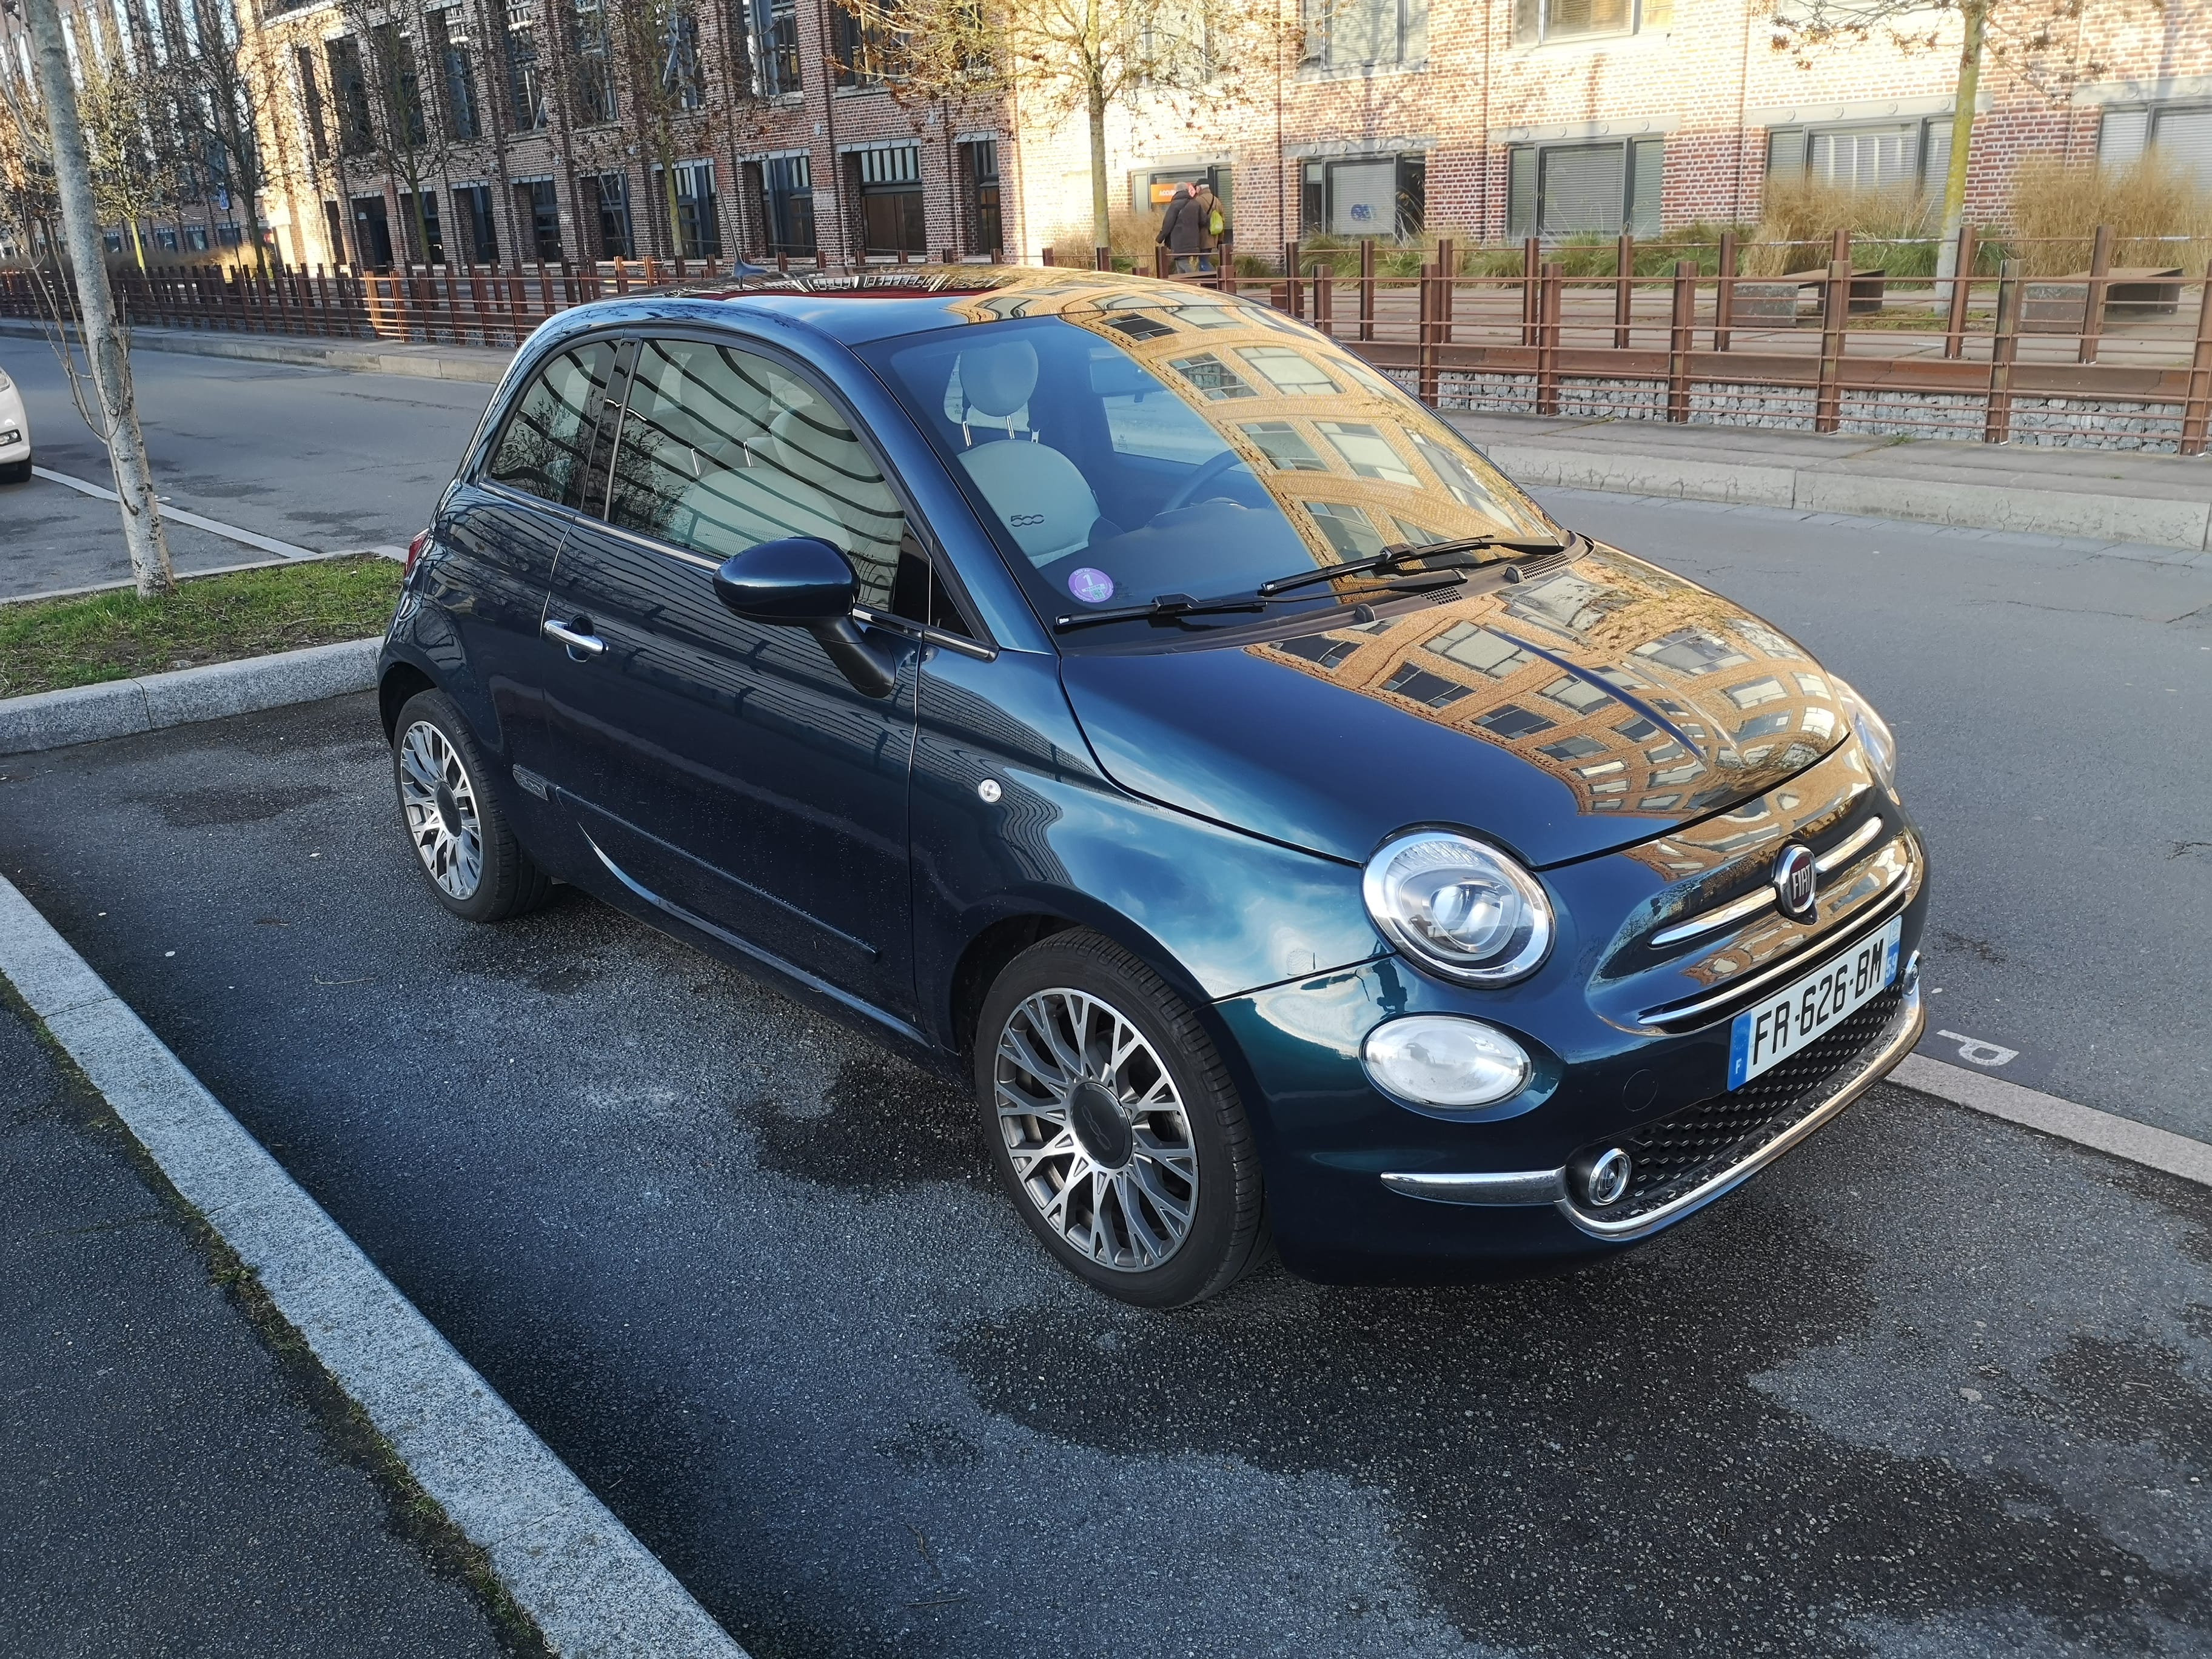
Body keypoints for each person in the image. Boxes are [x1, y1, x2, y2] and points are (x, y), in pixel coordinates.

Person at [1159, 179, 1225, 276]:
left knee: (1201, 262)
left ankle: (1214, 279)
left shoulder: (1197, 201)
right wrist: (1220, 239)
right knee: (1194, 261)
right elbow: (1222, 221)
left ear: (1199, 188)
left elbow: (1169, 223)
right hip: (1213, 237)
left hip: (1200, 239)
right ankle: (1191, 283)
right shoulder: (1217, 201)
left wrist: (1161, 237)